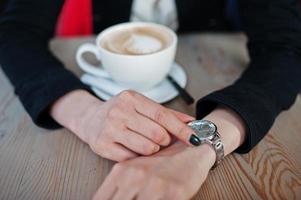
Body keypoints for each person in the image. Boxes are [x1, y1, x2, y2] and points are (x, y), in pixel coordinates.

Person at [0, 0, 300, 199]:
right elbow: (14, 31)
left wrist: (203, 145)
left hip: (205, 72)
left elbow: (287, 47)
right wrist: (86, 114)